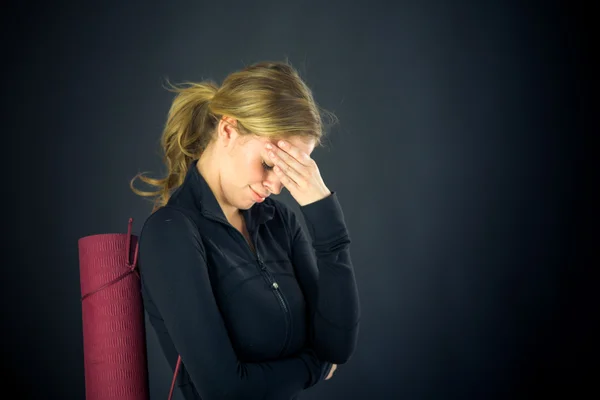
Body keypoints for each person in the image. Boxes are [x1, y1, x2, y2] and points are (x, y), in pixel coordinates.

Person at [130, 60, 360, 400]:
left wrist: (322, 209)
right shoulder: (171, 232)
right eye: (270, 163)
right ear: (228, 130)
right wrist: (314, 368)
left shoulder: (279, 222)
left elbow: (336, 347)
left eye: (291, 168)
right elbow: (225, 389)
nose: (277, 186)